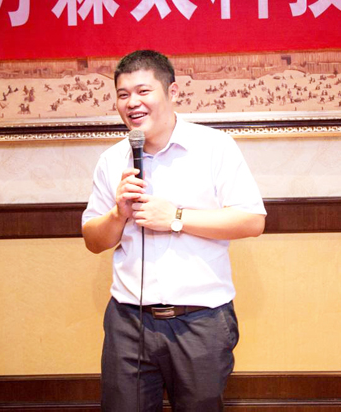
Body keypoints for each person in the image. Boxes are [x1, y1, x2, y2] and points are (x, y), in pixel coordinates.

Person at [82, 49, 267, 411]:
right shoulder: (112, 160)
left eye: (143, 91)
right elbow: (93, 240)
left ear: (172, 92)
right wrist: (118, 215)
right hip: (129, 322)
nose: (132, 103)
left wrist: (176, 217)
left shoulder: (214, 148)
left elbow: (251, 220)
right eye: (123, 94)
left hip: (201, 320)